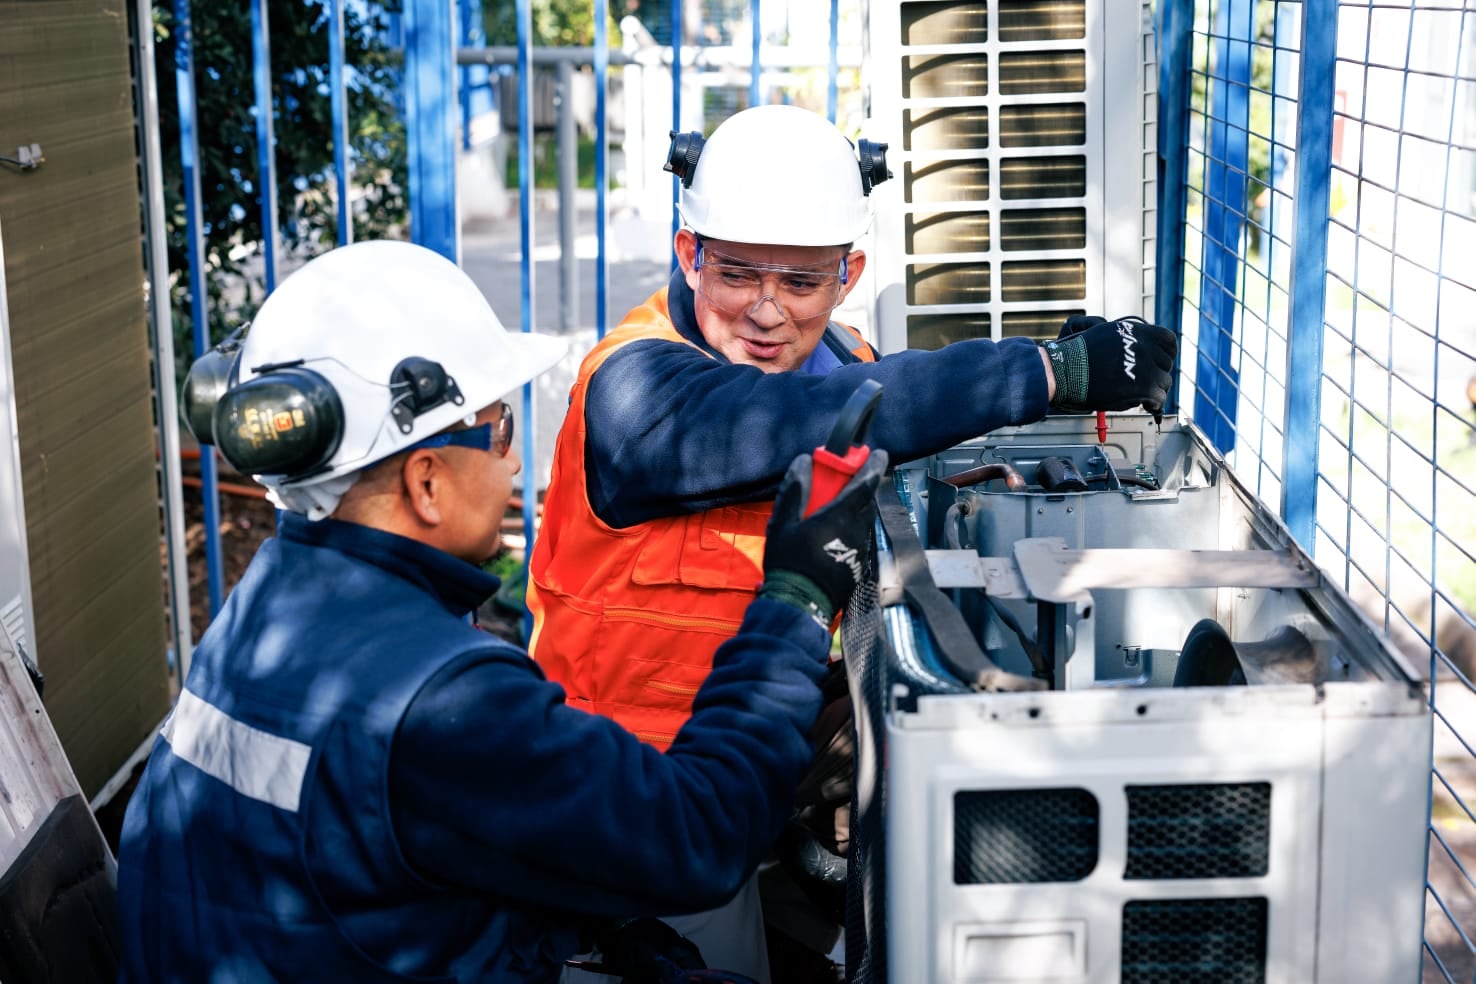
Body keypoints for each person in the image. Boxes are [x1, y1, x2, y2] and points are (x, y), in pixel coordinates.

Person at [113, 239, 889, 983]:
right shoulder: (440, 696)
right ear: (425, 481)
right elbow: (701, 836)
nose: (514, 459)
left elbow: (386, 859)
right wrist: (794, 593)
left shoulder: (268, 605)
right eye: (500, 428)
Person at [525, 104, 1178, 980]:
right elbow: (789, 425)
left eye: (799, 283)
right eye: (737, 274)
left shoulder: (845, 357)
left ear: (848, 273)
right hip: (637, 806)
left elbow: (869, 432)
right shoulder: (633, 391)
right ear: (689, 255)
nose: (764, 311)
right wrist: (1047, 373)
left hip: (756, 751)